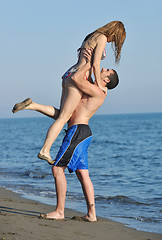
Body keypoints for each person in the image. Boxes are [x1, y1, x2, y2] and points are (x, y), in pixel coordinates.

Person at [12, 52, 119, 221]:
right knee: (83, 174)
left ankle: (59, 212)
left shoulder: (99, 91)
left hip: (77, 132)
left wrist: (90, 62)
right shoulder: (96, 87)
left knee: (57, 169)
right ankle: (92, 215)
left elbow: (76, 79)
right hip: (81, 133)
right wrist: (94, 59)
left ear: (106, 80)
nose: (102, 68)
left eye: (106, 71)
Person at [14, 21, 125, 163]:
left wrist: (91, 79)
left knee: (62, 114)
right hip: (78, 77)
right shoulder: (102, 38)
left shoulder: (91, 36)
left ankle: (32, 105)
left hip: (70, 72)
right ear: (115, 32)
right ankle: (45, 150)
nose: (113, 41)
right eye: (116, 39)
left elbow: (87, 62)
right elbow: (95, 64)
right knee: (64, 117)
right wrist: (97, 84)